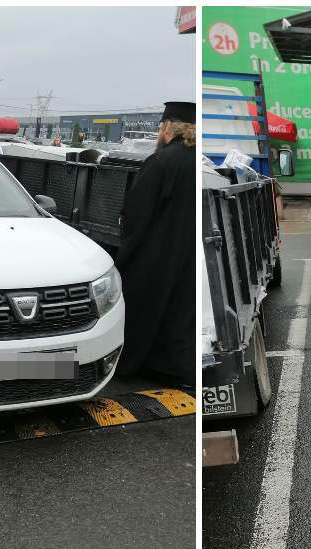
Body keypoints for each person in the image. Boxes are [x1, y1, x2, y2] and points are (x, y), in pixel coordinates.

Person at [114, 101, 196, 385]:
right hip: (188, 255)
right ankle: (175, 370)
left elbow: (136, 214)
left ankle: (131, 367)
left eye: (160, 128)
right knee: (181, 312)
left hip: (156, 255)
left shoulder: (161, 162)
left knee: (144, 309)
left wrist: (124, 256)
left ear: (167, 128)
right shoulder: (196, 160)